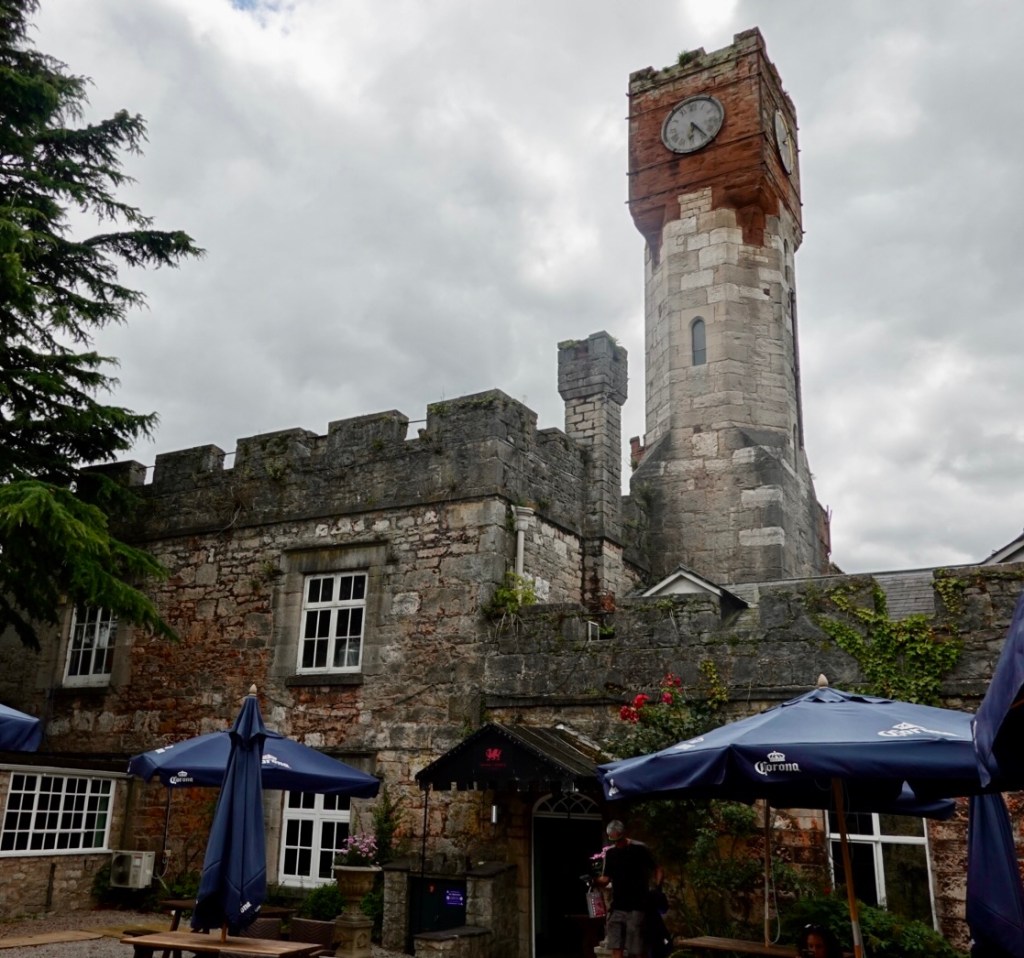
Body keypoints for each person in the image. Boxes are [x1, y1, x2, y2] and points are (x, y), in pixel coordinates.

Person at [595, 820, 663, 958]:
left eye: (619, 840)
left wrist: (657, 889)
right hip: (617, 906)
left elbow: (657, 869)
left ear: (624, 834)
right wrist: (594, 880)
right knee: (616, 946)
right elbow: (606, 878)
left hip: (637, 906)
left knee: (636, 950)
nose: (617, 843)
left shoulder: (640, 849)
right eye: (614, 840)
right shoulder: (611, 853)